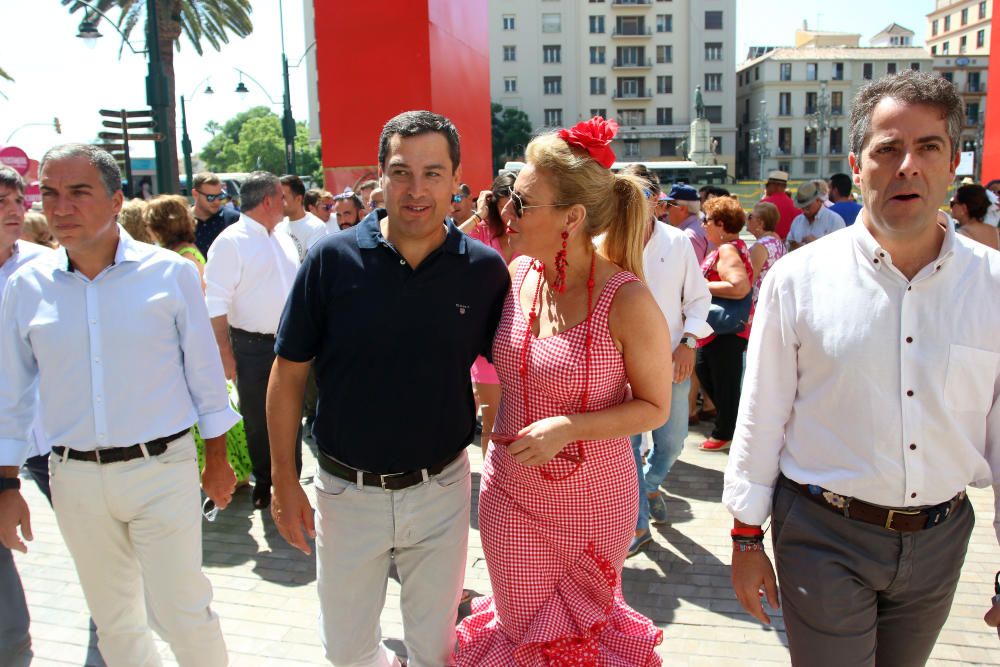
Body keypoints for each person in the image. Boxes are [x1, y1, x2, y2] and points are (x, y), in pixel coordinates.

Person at [725, 70, 1000, 666]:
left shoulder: (993, 285)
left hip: (942, 538)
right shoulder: (798, 280)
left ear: (953, 161)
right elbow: (762, 412)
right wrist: (746, 535)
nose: (908, 166)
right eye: (888, 149)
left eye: (928, 147)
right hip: (824, 534)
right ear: (858, 163)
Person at [267, 111, 509, 667]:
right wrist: (283, 479)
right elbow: (287, 374)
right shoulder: (331, 260)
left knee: (437, 650)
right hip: (345, 494)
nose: (417, 190)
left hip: (442, 491)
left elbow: (514, 372)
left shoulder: (485, 271)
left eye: (433, 173)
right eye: (402, 172)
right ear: (379, 176)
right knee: (348, 653)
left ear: (456, 180)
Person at [0, 144, 238, 667]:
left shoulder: (168, 275)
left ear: (116, 200)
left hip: (162, 470)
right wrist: (6, 484)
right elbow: (12, 395)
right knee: (116, 624)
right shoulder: (26, 287)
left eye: (78, 192)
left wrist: (217, 460)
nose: (61, 208)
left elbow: (204, 376)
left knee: (183, 614)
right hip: (74, 478)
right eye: (51, 193)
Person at [455, 117, 671, 665]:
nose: (507, 213)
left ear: (571, 218)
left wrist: (572, 427)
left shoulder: (627, 300)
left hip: (593, 506)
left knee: (578, 646)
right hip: (509, 496)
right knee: (521, 630)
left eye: (523, 203)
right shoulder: (519, 272)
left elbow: (656, 407)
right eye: (511, 199)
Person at [620, 165, 712, 557]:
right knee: (626, 449)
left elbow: (699, 299)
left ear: (657, 202)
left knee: (672, 443)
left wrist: (689, 342)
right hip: (619, 365)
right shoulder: (605, 241)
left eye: (640, 195)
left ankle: (653, 481)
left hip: (671, 360)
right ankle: (638, 527)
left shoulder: (677, 243)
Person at [204, 171, 301, 510]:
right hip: (251, 346)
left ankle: (292, 476)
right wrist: (224, 353)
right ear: (269, 200)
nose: (286, 203)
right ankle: (266, 480)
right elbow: (215, 303)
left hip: (290, 342)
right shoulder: (231, 242)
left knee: (292, 412)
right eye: (282, 197)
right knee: (259, 418)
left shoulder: (284, 237)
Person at [0, 166, 56, 666]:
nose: (15, 210)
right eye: (1, 201)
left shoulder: (47, 266)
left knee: (102, 547)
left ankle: (109, 640)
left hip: (55, 435)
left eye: (17, 199)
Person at [456, 171, 517, 456]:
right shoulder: (482, 230)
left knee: (520, 419)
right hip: (485, 335)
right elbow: (447, 241)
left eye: (514, 204)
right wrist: (479, 215)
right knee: (493, 422)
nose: (508, 213)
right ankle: (493, 484)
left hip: (523, 334)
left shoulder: (528, 230)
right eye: (502, 205)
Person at [695, 196, 753, 452]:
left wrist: (697, 287)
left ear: (720, 223)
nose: (703, 225)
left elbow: (739, 286)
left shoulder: (728, 249)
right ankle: (730, 430)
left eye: (705, 220)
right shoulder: (732, 247)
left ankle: (727, 432)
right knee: (712, 375)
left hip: (723, 330)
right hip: (719, 330)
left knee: (723, 382)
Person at [146, 194, 207, 286]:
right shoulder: (175, 251)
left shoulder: (186, 257)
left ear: (162, 226)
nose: (147, 228)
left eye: (148, 223)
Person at [747, 201, 787, 311]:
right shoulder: (777, 242)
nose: (747, 218)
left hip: (759, 303)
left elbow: (749, 280)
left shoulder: (761, 246)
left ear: (760, 223)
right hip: (771, 301)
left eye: (750, 216)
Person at [279, 175, 328, 262]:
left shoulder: (316, 227)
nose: (279, 201)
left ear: (298, 199)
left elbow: (312, 265)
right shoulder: (278, 225)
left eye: (283, 197)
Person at [191, 172, 240, 257]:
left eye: (220, 196)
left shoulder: (234, 219)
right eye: (211, 197)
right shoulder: (181, 222)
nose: (217, 201)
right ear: (195, 194)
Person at [787, 181, 846, 250]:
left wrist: (818, 244)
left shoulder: (835, 220)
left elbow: (842, 250)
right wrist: (794, 246)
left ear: (818, 200)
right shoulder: (797, 221)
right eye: (802, 207)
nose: (805, 211)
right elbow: (788, 244)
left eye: (808, 206)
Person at [663, 182, 712, 263]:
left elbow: (695, 272)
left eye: (669, 205)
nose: (666, 209)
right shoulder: (700, 225)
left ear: (682, 209)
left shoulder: (688, 236)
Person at [951, 183, 999, 250]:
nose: (951, 207)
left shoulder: (959, 235)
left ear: (964, 208)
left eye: (953, 203)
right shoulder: (995, 231)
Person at [760, 170, 801, 240]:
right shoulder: (796, 206)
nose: (766, 188)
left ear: (775, 186)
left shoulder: (763, 204)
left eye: (767, 185)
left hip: (768, 246)